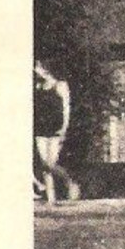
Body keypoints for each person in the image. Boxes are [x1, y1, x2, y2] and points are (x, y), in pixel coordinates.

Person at [33, 62, 79, 202]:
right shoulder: (38, 86)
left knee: (51, 164)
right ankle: (51, 199)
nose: (35, 70)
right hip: (41, 128)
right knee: (44, 164)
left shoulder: (60, 85)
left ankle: (70, 182)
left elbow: (66, 109)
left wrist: (64, 127)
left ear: (46, 69)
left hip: (56, 128)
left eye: (38, 67)